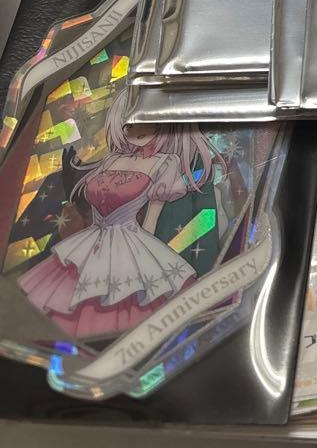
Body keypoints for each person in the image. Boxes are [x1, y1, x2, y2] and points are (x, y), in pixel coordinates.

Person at [17, 86, 221, 339]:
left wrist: (147, 258)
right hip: (91, 240)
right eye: (130, 123)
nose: (138, 130)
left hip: (132, 240)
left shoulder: (165, 163)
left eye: (148, 122)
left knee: (126, 299)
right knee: (70, 298)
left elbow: (152, 215)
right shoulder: (112, 160)